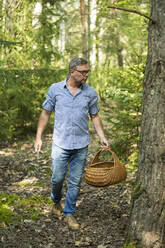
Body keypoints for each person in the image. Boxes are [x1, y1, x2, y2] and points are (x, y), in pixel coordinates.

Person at [34, 58, 109, 230]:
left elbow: (95, 116)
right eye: (83, 72)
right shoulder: (55, 89)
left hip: (81, 145)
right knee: (57, 178)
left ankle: (69, 213)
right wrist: (38, 137)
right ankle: (55, 201)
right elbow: (45, 113)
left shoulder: (90, 93)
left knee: (75, 182)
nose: (86, 75)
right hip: (60, 144)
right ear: (71, 71)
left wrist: (102, 136)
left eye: (88, 71)